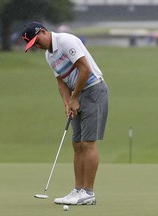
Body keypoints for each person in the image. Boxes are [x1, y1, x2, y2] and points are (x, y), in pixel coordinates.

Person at [22, 22, 109, 204]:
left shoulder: (66, 41)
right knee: (77, 144)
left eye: (36, 41)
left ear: (44, 32)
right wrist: (67, 103)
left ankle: (88, 193)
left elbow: (84, 69)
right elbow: (61, 81)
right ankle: (77, 191)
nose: (37, 46)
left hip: (93, 90)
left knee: (88, 143)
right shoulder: (49, 55)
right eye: (33, 46)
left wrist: (74, 97)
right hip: (76, 95)